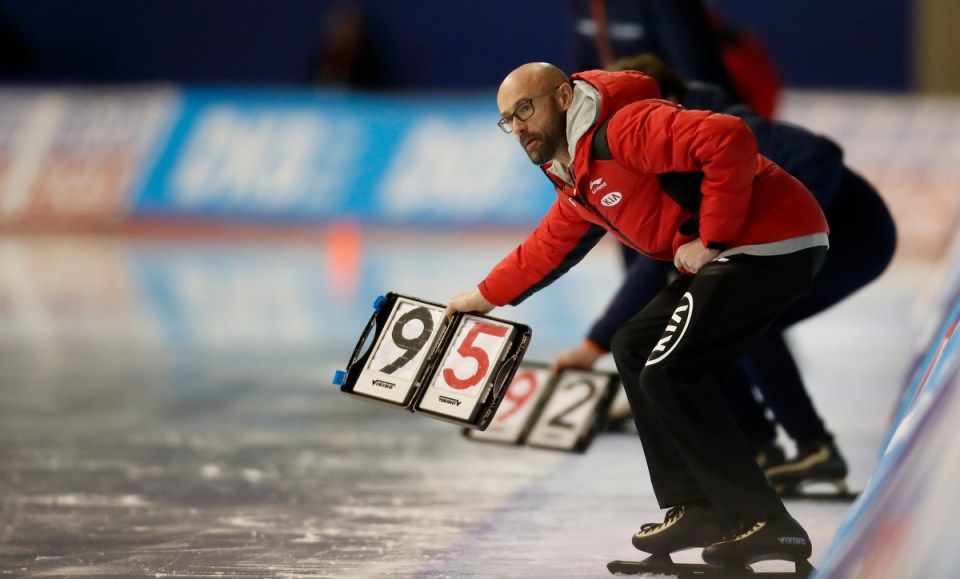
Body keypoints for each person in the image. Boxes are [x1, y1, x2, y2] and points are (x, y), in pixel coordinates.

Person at [445, 62, 826, 569]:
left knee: (672, 371)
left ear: (562, 97)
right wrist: (484, 296)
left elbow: (729, 138)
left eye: (524, 109)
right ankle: (698, 508)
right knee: (634, 345)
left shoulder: (624, 128)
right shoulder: (576, 174)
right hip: (747, 249)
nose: (517, 127)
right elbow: (550, 245)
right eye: (507, 119)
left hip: (772, 240)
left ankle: (767, 524)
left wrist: (712, 237)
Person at [552, 54, 897, 494]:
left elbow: (821, 155)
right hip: (820, 234)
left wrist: (777, 229)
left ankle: (814, 449)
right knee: (711, 317)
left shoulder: (718, 128)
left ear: (665, 100)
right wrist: (596, 343)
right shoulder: (647, 147)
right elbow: (649, 266)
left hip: (855, 234)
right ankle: (757, 442)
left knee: (746, 314)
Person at [568, 0, 780, 117]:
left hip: (686, 127)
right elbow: (584, 74)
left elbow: (699, 78)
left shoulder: (671, 5)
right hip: (629, 129)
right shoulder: (583, 6)